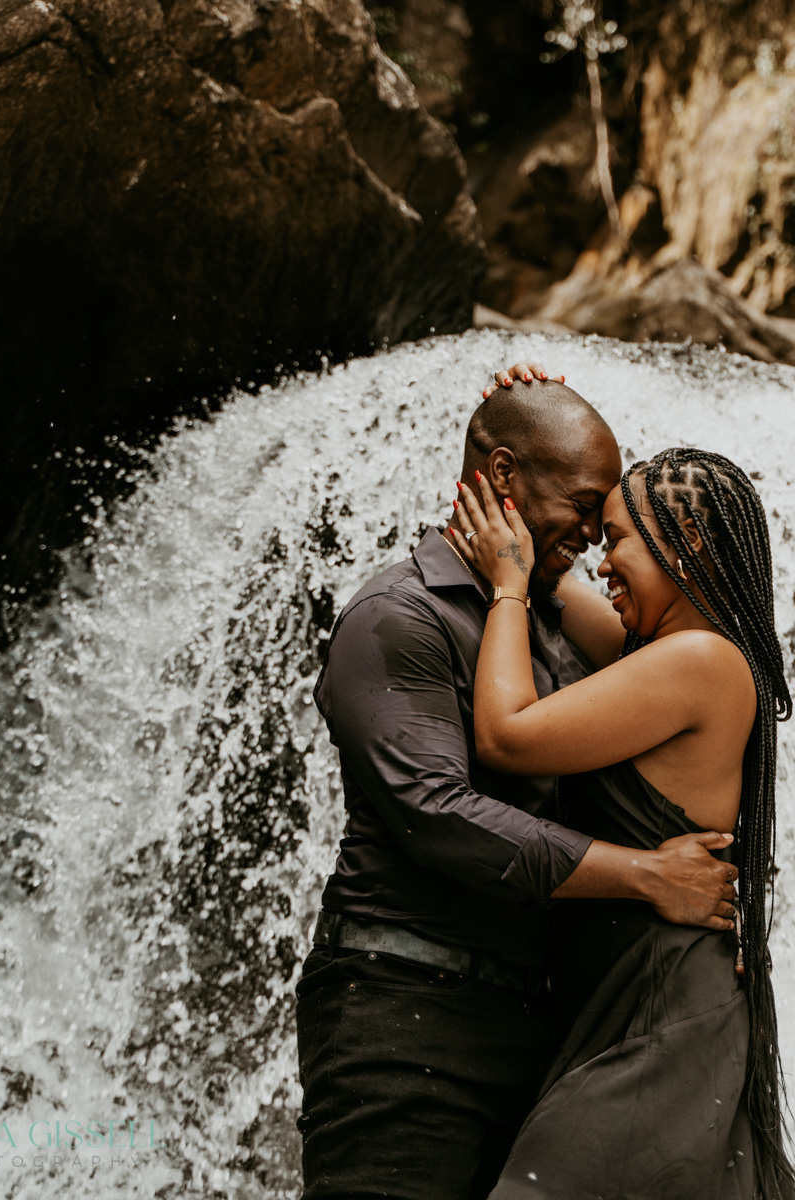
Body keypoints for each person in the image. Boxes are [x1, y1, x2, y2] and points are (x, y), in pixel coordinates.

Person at [297, 364, 742, 1200]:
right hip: (404, 1012)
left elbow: (688, 688)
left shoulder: (551, 620)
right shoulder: (401, 615)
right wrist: (644, 873)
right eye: (585, 506)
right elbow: (438, 815)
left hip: (549, 1029)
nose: (598, 537)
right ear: (503, 477)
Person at [446, 428, 795, 1199]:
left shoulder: (699, 662)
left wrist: (506, 592)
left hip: (660, 1010)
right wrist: (507, 434)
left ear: (688, 546)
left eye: (615, 542)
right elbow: (541, 567)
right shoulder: (663, 652)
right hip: (631, 1001)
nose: (598, 561)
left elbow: (506, 735)